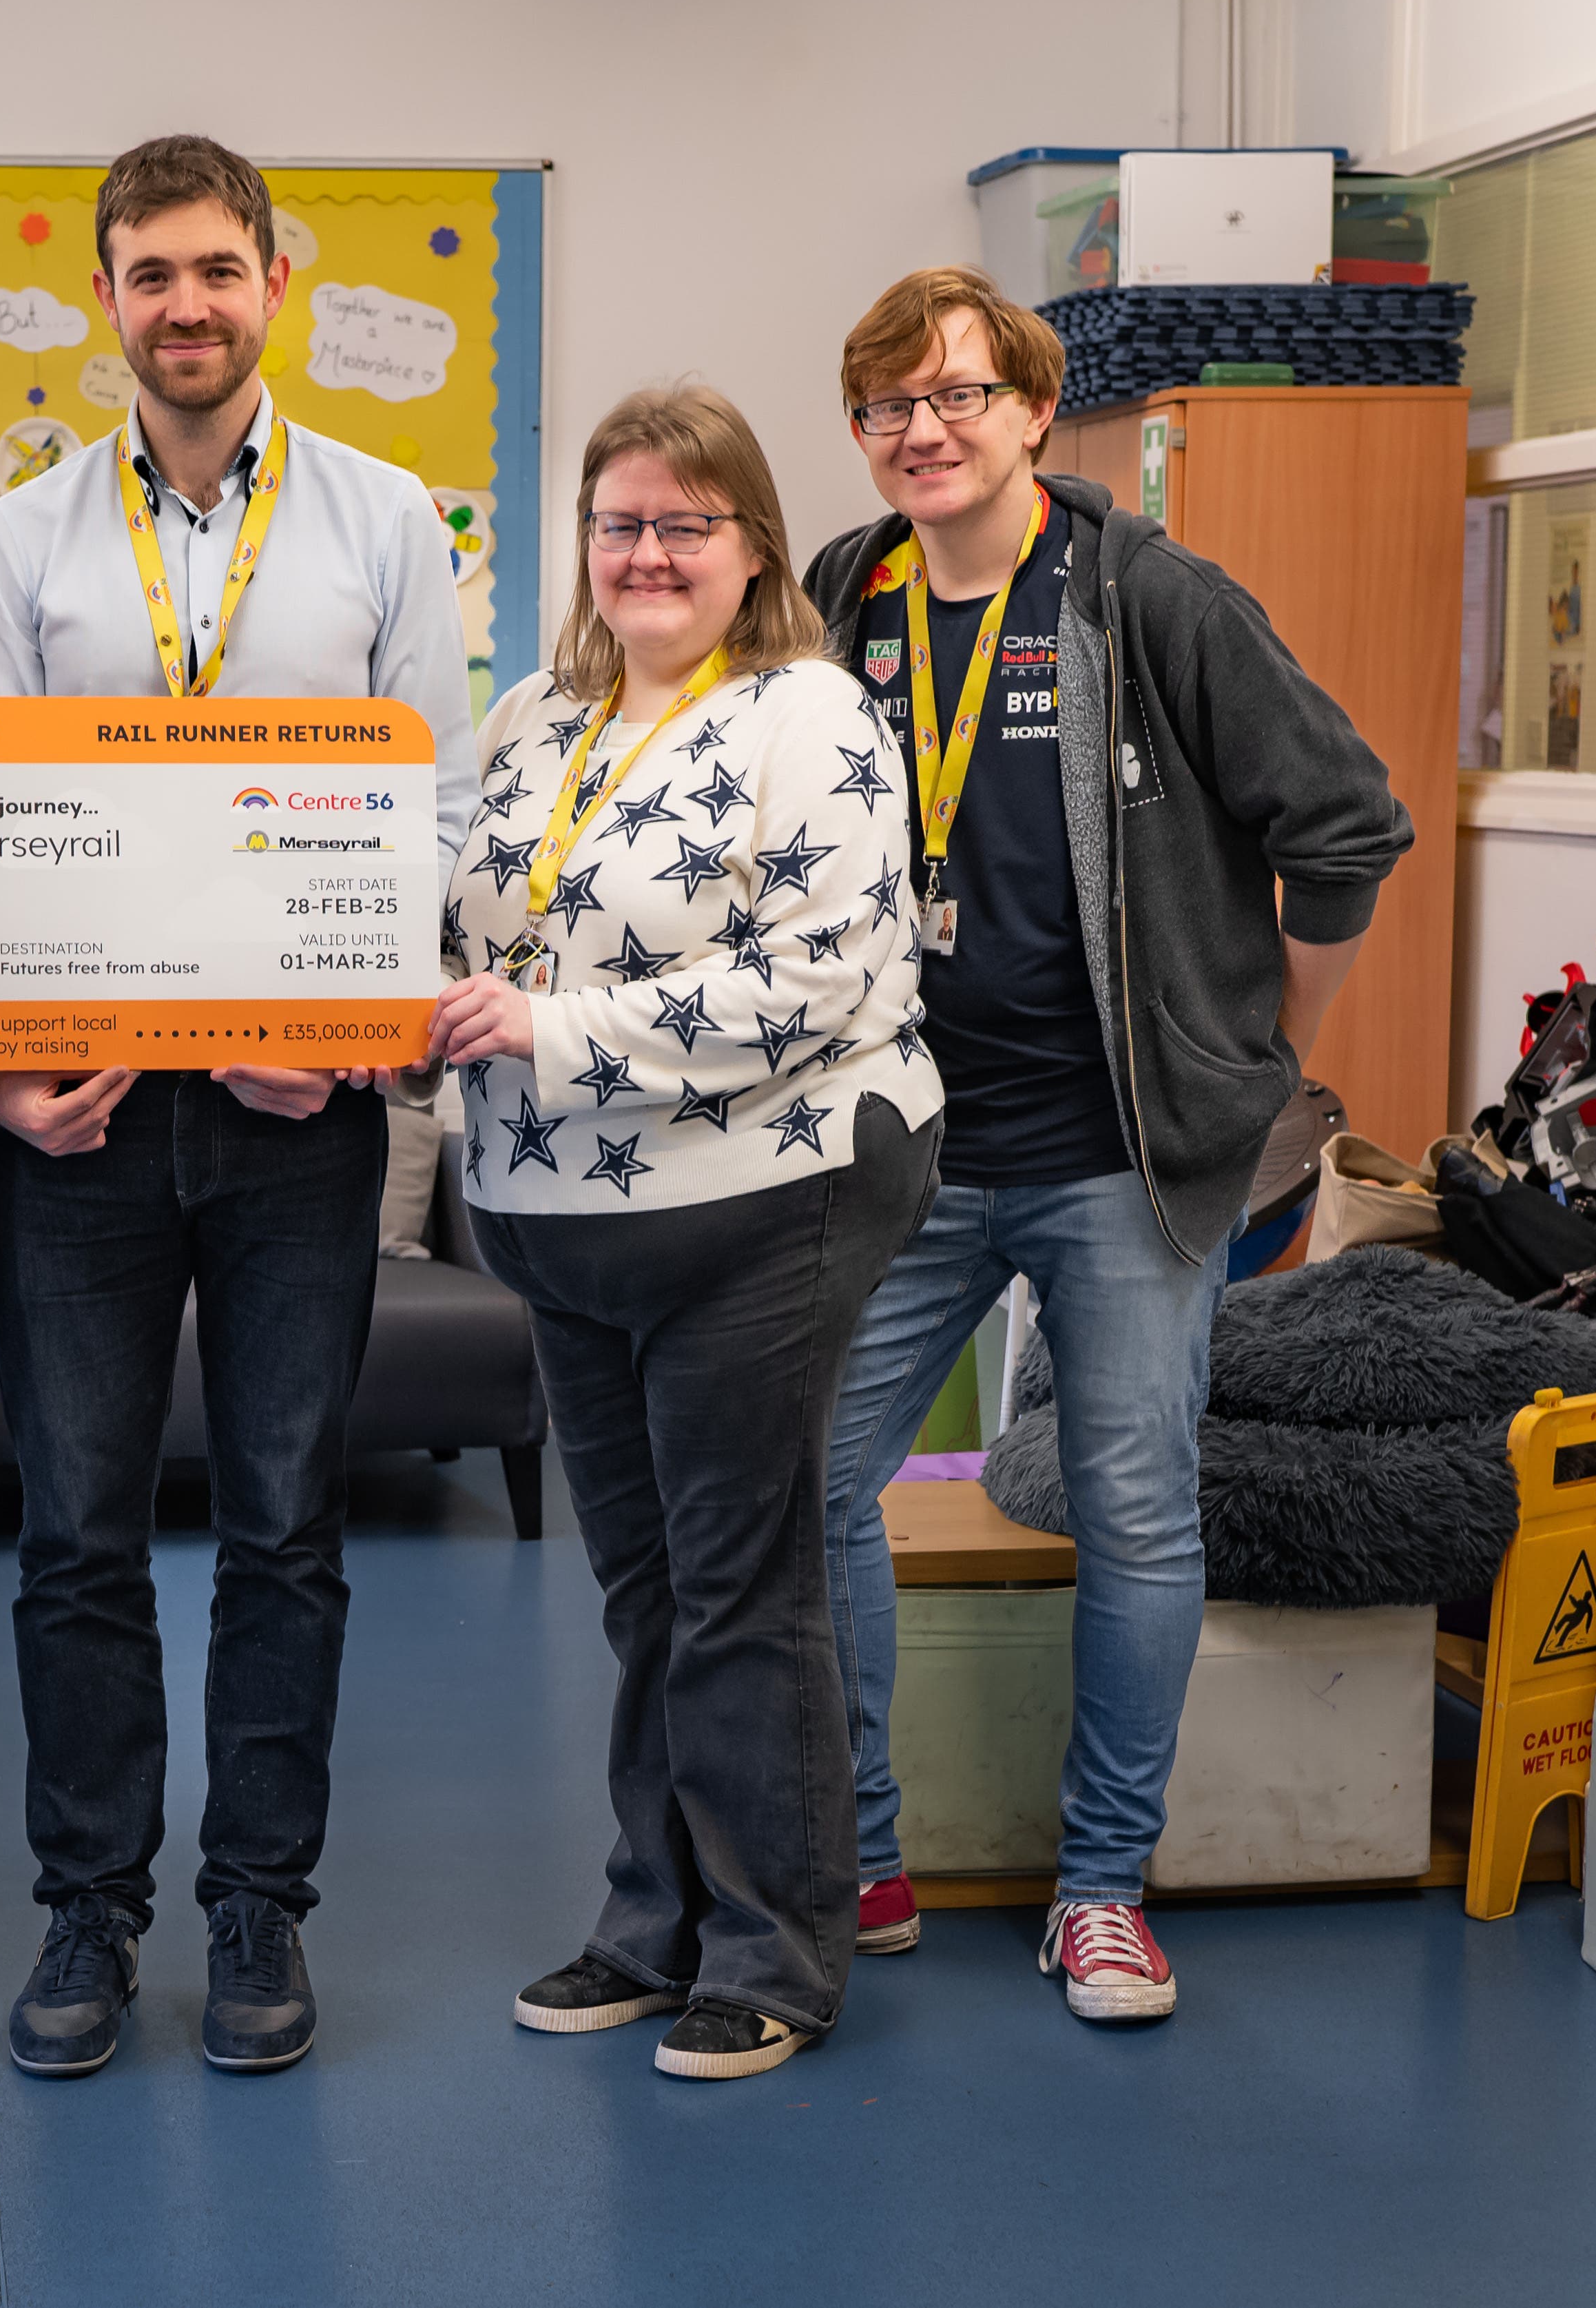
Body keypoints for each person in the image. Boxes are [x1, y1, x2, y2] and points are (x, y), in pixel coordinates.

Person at [804, 266, 1411, 2019]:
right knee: (814, 1483)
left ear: (1030, 408)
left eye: (955, 396)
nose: (921, 431)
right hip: (901, 1153)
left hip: (1115, 1163)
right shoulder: (843, 597)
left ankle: (1096, 1888)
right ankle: (856, 1857)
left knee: (1137, 1514)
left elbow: (1346, 825)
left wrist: (1256, 1050)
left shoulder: (1148, 599)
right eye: (884, 406)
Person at [0, 134, 473, 2078]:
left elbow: (424, 808)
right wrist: (4, 1070)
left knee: (284, 1530)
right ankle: (88, 1913)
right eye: (147, 274)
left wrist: (341, 1031)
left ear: (276, 281)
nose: (183, 306)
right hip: (83, 1122)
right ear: (105, 299)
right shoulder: (16, 541)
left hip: (295, 1116)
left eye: (214, 271)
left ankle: (257, 1904)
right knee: (75, 1537)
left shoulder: (383, 521)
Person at [437, 384, 942, 2081]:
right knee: (643, 1588)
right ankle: (646, 1920)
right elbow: (463, 930)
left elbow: (826, 975)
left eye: (684, 523)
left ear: (750, 549)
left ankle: (778, 1952)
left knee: (737, 1583)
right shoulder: (530, 711)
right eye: (617, 522)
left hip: (757, 1202)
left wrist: (545, 1034)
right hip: (557, 1217)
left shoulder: (811, 715)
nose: (645, 553)